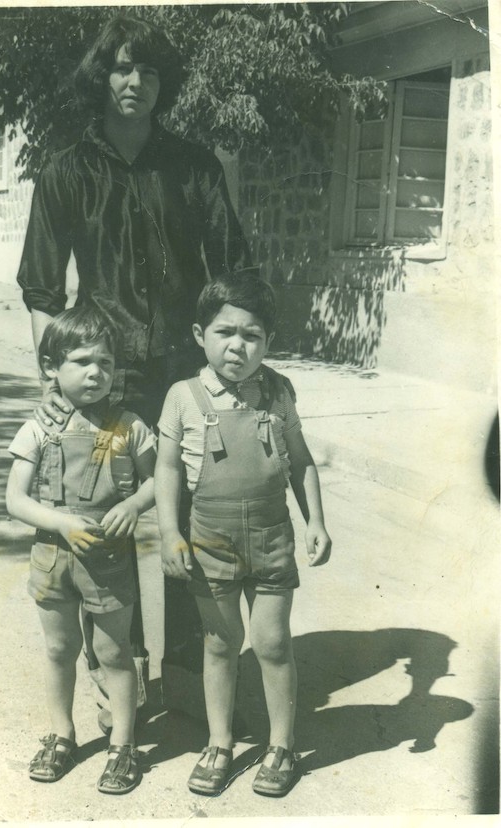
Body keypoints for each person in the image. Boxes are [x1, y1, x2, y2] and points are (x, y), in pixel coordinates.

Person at [16, 14, 251, 720]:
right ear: (102, 76)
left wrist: (233, 361)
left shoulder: (195, 166)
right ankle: (109, 665)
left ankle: (185, 664)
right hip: (103, 386)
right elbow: (39, 288)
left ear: (162, 84)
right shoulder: (66, 171)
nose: (135, 82)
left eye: (148, 71)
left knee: (191, 508)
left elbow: (232, 268)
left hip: (185, 377)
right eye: (122, 68)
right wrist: (56, 384)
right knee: (104, 516)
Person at [155, 271, 332, 797]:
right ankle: (219, 742)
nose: (237, 345)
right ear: (198, 334)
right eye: (224, 332)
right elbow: (165, 469)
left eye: (251, 335)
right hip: (210, 539)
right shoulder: (183, 396)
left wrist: (315, 521)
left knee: (274, 643)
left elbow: (300, 462)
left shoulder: (278, 393)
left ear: (268, 342)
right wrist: (169, 531)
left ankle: (281, 745)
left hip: (273, 537)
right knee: (220, 642)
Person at [6, 305, 156, 794]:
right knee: (58, 648)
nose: (96, 373)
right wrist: (63, 524)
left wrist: (134, 503)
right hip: (53, 555)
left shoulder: (129, 426)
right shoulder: (39, 428)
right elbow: (15, 500)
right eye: (82, 362)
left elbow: (161, 481)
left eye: (106, 363)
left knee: (115, 652)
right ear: (51, 367)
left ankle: (124, 745)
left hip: (108, 558)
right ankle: (61, 734)